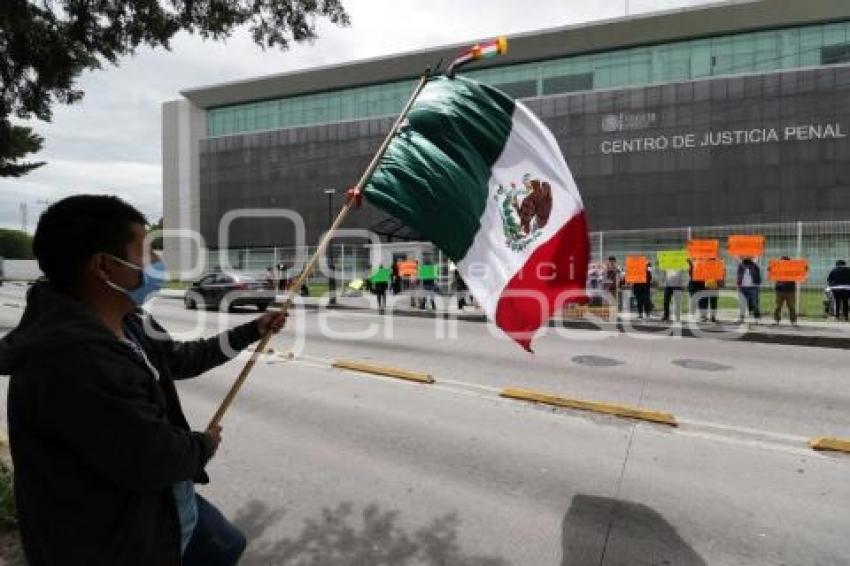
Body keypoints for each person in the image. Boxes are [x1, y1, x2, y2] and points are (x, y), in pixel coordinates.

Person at [0, 195, 288, 566]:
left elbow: (181, 359)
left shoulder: (132, 321)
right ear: (103, 266)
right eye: (146, 251)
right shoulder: (74, 362)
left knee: (226, 546)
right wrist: (202, 444)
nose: (157, 263)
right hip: (118, 541)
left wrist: (252, 330)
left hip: (167, 509)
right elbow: (154, 458)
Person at [773, 256, 798, 325]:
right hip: (779, 290)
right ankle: (776, 320)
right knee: (777, 306)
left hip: (790, 291)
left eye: (784, 262)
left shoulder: (793, 269)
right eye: (781, 262)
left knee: (791, 306)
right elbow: (770, 271)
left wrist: (803, 268)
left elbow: (801, 271)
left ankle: (793, 321)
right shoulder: (777, 268)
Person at [737, 257, 762, 321]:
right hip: (742, 287)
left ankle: (757, 316)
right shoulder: (740, 266)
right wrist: (738, 284)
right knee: (742, 303)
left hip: (753, 287)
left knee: (755, 303)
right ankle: (741, 316)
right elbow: (738, 275)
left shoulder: (755, 266)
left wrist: (758, 284)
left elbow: (758, 275)